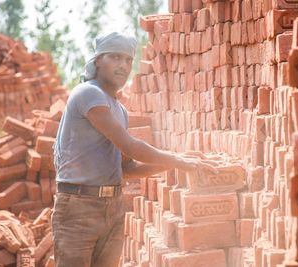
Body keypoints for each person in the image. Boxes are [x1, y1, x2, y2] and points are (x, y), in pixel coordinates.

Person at [52, 32, 216, 267]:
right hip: (79, 208)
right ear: (98, 60)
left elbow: (127, 168)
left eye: (128, 60)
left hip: (113, 208)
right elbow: (130, 145)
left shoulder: (120, 110)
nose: (123, 65)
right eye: (115, 57)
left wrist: (177, 160)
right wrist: (178, 160)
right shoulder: (88, 93)